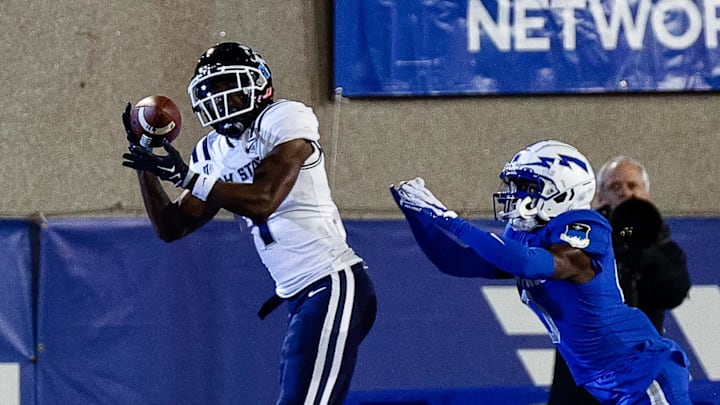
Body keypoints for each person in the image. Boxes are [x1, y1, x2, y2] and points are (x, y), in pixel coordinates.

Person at [121, 42, 377, 404]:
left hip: (332, 283)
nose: (223, 100)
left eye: (231, 88)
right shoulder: (212, 150)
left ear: (261, 85)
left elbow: (264, 200)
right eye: (213, 92)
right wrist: (145, 155)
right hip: (301, 296)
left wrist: (189, 179)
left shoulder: (283, 118)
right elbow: (172, 227)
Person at [390, 140, 691, 404]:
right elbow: (454, 261)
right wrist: (416, 213)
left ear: (563, 192)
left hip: (640, 368)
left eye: (529, 187)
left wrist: (449, 219)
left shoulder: (588, 226)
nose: (518, 194)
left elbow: (530, 264)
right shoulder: (527, 234)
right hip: (601, 378)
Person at [548, 156, 691, 405]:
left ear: (646, 193)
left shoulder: (664, 246)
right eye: (615, 187)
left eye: (633, 186)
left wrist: (642, 251)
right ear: (600, 198)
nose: (625, 193)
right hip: (583, 377)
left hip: (639, 373)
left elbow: (675, 291)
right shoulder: (578, 244)